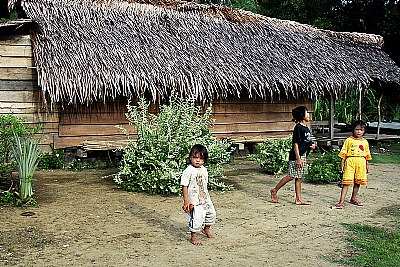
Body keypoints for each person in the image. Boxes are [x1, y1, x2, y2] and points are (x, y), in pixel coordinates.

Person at [270, 106, 316, 205]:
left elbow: (306, 142)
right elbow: (295, 143)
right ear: (302, 115)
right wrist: (298, 158)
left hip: (303, 155)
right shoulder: (298, 128)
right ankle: (274, 190)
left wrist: (311, 146)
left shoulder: (306, 128)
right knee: (291, 176)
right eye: (307, 113)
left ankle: (298, 199)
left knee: (299, 177)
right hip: (296, 156)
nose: (309, 114)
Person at [181, 144, 216, 245]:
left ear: (204, 160)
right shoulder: (188, 171)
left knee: (211, 214)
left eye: (201, 158)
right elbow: (184, 186)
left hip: (205, 198)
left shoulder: (204, 170)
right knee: (196, 218)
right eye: (195, 157)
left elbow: (205, 184)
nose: (197, 160)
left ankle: (206, 230)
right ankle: (193, 237)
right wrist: (186, 201)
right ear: (190, 158)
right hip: (194, 201)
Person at [334, 120, 372, 209]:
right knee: (346, 182)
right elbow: (344, 151)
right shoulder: (349, 140)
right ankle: (341, 201)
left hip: (361, 162)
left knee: (357, 182)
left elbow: (367, 153)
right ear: (353, 130)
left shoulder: (365, 142)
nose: (359, 131)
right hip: (350, 162)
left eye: (361, 130)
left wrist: (367, 164)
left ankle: (353, 199)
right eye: (357, 129)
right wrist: (342, 161)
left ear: (364, 131)